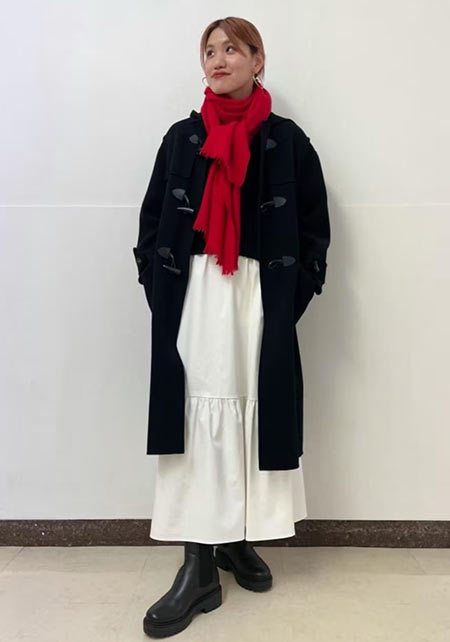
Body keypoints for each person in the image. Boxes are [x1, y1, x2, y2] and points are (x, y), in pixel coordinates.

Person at [133, 16, 331, 638]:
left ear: (257, 59)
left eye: (232, 49)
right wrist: (158, 284)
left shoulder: (288, 141)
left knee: (252, 411)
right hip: (195, 295)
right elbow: (151, 220)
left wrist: (291, 296)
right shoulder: (182, 139)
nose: (218, 60)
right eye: (210, 51)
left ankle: (235, 538)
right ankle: (198, 566)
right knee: (195, 416)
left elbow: (314, 227)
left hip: (257, 295)